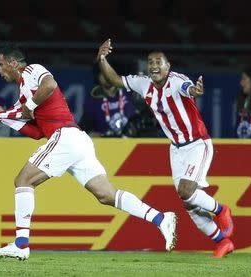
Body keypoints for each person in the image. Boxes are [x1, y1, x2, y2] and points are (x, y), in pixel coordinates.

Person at [0, 43, 178, 260]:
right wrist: (6, 117)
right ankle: (160, 219)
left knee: (23, 180)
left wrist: (28, 107)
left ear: (14, 63)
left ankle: (21, 245)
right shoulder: (24, 92)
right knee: (106, 195)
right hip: (77, 141)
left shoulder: (32, 70)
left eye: (1, 65)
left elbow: (49, 85)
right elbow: (37, 132)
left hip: (66, 138)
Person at [97, 39, 234, 258]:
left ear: (168, 66)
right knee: (188, 203)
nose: (154, 66)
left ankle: (221, 209)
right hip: (176, 149)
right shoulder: (144, 84)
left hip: (198, 144)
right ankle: (222, 241)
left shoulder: (177, 80)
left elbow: (188, 89)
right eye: (150, 62)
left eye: (158, 62)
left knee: (186, 191)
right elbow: (114, 79)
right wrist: (102, 58)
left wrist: (195, 90)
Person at [79, 62, 137, 137]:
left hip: (133, 142)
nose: (107, 76)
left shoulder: (130, 92)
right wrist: (90, 133)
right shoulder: (92, 102)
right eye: (103, 73)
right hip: (106, 146)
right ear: (97, 77)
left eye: (109, 73)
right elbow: (84, 128)